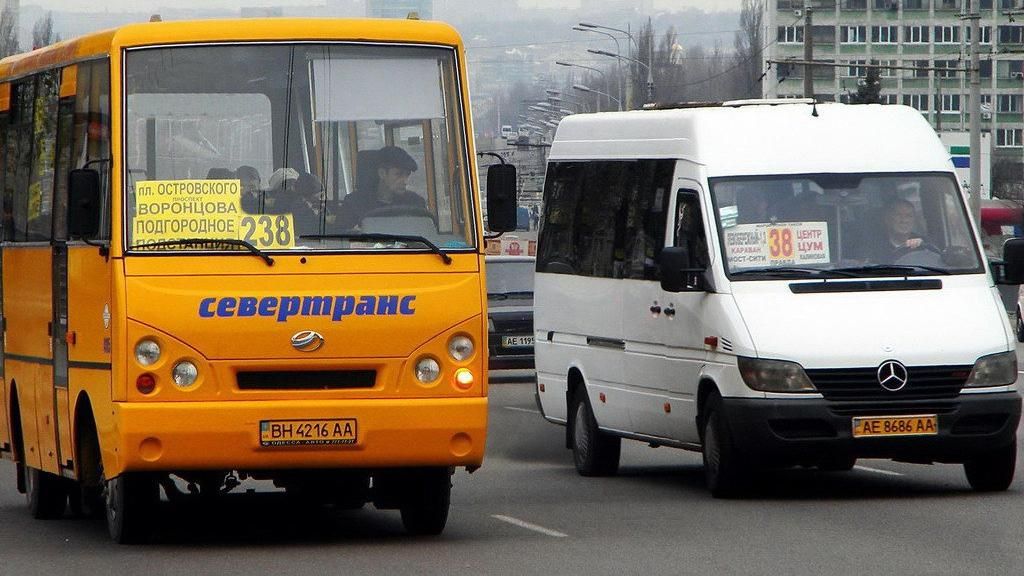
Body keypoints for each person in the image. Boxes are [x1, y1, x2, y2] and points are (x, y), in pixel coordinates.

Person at [337, 146, 428, 230]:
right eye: (398, 174)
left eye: (407, 175)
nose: (405, 181)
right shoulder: (354, 204)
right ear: (382, 174)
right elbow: (341, 240)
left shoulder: (415, 203)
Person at [875, 198, 925, 262]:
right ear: (887, 219)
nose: (904, 220)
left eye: (909, 216)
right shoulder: (875, 246)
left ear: (914, 220)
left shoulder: (924, 243)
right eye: (898, 215)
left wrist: (922, 246)